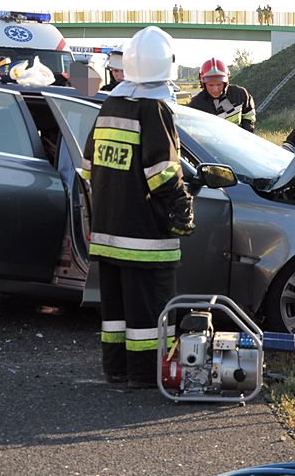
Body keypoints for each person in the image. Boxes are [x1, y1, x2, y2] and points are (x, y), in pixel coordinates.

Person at [81, 26, 194, 389]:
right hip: (144, 237)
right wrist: (182, 205)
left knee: (115, 313)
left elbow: (88, 166)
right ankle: (145, 375)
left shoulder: (110, 106)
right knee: (148, 312)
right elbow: (162, 173)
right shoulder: (155, 109)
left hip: (107, 233)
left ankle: (116, 369)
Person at [188, 57, 256, 132]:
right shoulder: (195, 105)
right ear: (203, 83)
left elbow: (249, 115)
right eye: (211, 85)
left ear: (226, 82)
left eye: (219, 84)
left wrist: (246, 132)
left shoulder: (240, 94)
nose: (215, 89)